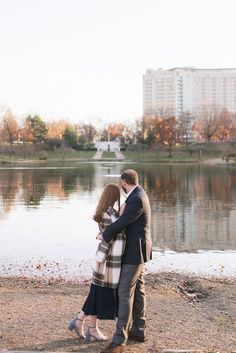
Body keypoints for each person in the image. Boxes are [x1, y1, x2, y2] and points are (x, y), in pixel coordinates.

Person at [99, 169, 152, 353]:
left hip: (134, 252)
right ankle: (138, 330)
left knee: (124, 292)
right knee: (138, 290)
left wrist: (104, 234)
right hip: (138, 250)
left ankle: (119, 340)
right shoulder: (137, 195)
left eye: (121, 183)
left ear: (123, 182)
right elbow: (127, 220)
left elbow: (123, 223)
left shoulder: (136, 198)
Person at [68, 183, 126, 342]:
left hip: (106, 260)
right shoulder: (108, 214)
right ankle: (87, 326)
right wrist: (104, 236)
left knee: (95, 293)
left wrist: (119, 216)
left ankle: (83, 323)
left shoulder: (108, 212)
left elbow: (111, 232)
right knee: (97, 294)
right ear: (113, 196)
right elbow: (112, 235)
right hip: (107, 261)